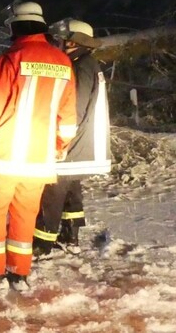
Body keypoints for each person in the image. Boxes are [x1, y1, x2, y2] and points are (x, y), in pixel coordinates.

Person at [0, 1, 78, 288]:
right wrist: (59, 146)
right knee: (26, 217)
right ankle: (19, 271)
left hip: (2, 157)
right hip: (38, 159)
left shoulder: (11, 60)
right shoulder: (64, 63)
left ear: (16, 27)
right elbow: (67, 120)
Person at [33, 19, 111, 256]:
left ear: (75, 42)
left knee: (52, 190)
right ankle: (71, 236)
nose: (59, 44)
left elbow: (73, 109)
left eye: (63, 40)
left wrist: (59, 138)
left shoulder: (80, 67)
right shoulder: (87, 63)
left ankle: (43, 242)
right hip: (83, 142)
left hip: (73, 142)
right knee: (71, 190)